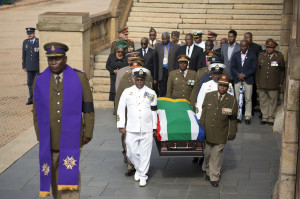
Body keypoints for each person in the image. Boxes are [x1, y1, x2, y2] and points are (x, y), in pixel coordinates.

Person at [33, 42, 94, 198]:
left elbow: (88, 108)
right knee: (53, 177)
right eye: (50, 59)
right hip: (50, 138)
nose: (53, 63)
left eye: (57, 59)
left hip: (73, 137)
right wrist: (40, 136)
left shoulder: (79, 78)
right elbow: (36, 111)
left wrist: (88, 131)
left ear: (65, 59)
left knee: (70, 173)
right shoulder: (39, 81)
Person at [117, 67, 157, 187]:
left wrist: (154, 127)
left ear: (145, 80)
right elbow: (120, 108)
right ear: (134, 79)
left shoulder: (151, 93)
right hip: (131, 127)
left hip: (147, 127)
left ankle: (143, 175)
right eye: (137, 79)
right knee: (131, 151)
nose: (139, 81)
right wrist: (120, 124)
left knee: (145, 152)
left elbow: (154, 111)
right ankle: (139, 169)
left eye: (141, 79)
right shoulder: (127, 91)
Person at [200, 74, 238, 187]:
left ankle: (214, 177)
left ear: (228, 87)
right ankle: (207, 170)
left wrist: (232, 133)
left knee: (216, 155)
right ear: (218, 85)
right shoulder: (209, 96)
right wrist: (201, 130)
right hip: (207, 131)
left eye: (225, 86)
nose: (222, 88)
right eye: (221, 85)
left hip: (221, 132)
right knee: (207, 154)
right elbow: (203, 114)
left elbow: (233, 119)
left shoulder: (232, 100)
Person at [256, 38, 285, 125]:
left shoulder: (279, 57)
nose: (269, 49)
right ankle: (265, 117)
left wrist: (280, 82)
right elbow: (258, 70)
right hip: (262, 82)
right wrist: (257, 81)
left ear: (274, 48)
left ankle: (271, 117)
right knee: (263, 100)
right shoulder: (261, 56)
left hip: (274, 83)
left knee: (273, 101)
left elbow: (282, 71)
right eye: (267, 47)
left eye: (271, 48)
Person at [231, 40, 257, 124]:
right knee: (237, 99)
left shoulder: (252, 55)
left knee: (248, 99)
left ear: (248, 46)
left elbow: (253, 68)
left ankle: (247, 116)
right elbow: (232, 67)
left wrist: (245, 75)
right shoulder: (235, 55)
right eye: (241, 46)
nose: (243, 48)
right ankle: (238, 116)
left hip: (248, 80)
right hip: (237, 80)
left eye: (245, 46)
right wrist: (238, 74)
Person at [155, 32, 179, 97]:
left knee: (170, 89)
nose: (163, 41)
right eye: (162, 39)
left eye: (165, 39)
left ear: (169, 38)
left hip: (171, 70)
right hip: (161, 71)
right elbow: (156, 60)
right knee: (162, 90)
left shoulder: (176, 47)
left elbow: (177, 61)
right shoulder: (157, 46)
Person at [22, 27, 39, 105]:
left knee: (37, 83)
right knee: (30, 83)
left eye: (31, 33)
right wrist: (24, 65)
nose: (29, 35)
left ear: (34, 34)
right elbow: (24, 55)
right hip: (29, 66)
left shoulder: (38, 42)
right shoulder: (25, 42)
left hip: (37, 67)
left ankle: (38, 99)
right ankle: (31, 99)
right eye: (28, 34)